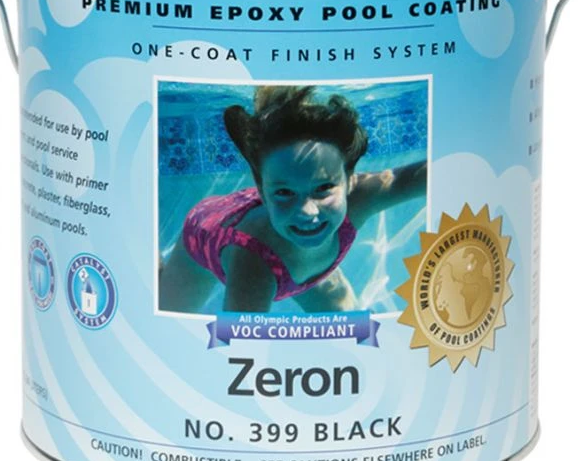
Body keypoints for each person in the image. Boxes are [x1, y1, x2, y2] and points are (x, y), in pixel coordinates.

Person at [159, 86, 426, 313]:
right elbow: (240, 348)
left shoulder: (360, 196)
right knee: (168, 316)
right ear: (262, 192)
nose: (307, 211)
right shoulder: (253, 268)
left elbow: (432, 173)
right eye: (285, 192)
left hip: (291, 254)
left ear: (350, 180)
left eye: (323, 188)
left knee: (355, 330)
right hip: (205, 231)